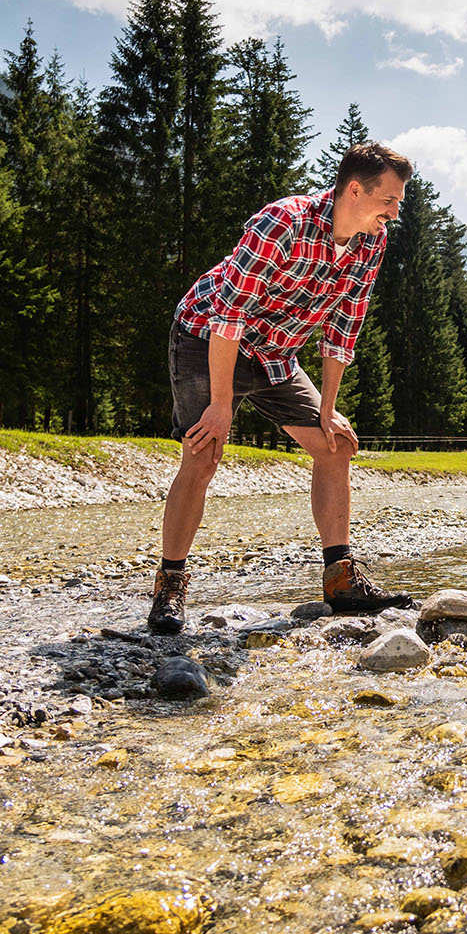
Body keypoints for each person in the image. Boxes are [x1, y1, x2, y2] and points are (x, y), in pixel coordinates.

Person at [149, 142, 418, 635]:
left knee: (335, 445)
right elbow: (228, 317)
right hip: (206, 336)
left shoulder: (370, 244)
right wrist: (222, 404)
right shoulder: (282, 223)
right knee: (204, 453)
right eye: (390, 201)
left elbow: (343, 330)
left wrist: (328, 410)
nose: (395, 212)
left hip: (276, 354)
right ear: (355, 191)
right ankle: (169, 586)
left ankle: (340, 582)